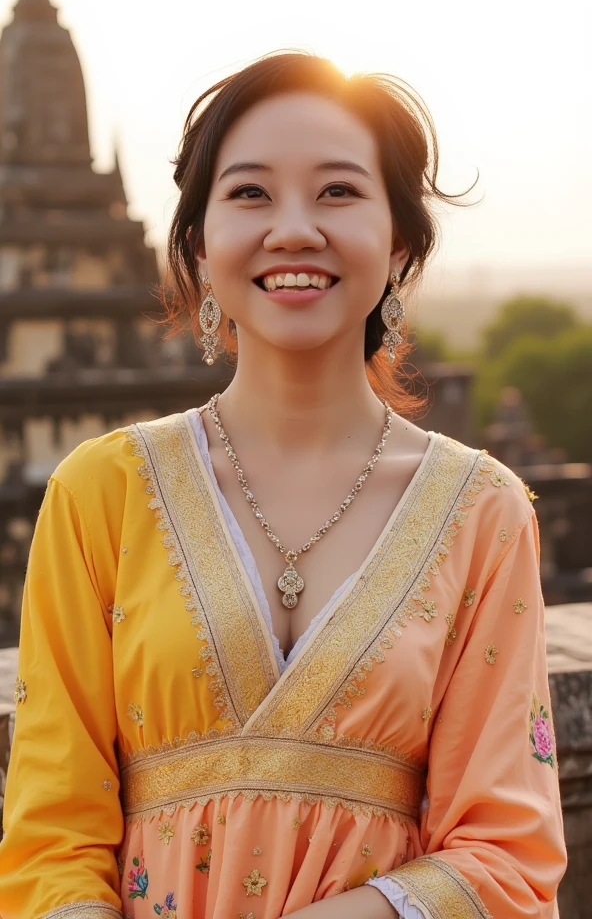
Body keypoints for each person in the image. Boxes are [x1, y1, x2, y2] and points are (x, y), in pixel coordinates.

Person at [0, 52, 566, 918]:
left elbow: (507, 858)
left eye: (338, 192)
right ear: (194, 242)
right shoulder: (99, 495)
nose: (294, 229)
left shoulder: (481, 514)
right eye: (251, 193)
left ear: (400, 240)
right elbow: (49, 842)